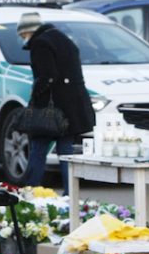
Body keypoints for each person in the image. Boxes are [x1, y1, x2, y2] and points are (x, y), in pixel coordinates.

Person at [17, 12, 94, 193]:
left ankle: (31, 190)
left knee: (38, 149)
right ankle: (70, 194)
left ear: (28, 31)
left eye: (22, 35)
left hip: (51, 110)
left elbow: (47, 76)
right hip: (71, 109)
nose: (23, 40)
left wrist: (35, 97)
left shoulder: (40, 43)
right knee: (66, 153)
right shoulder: (63, 39)